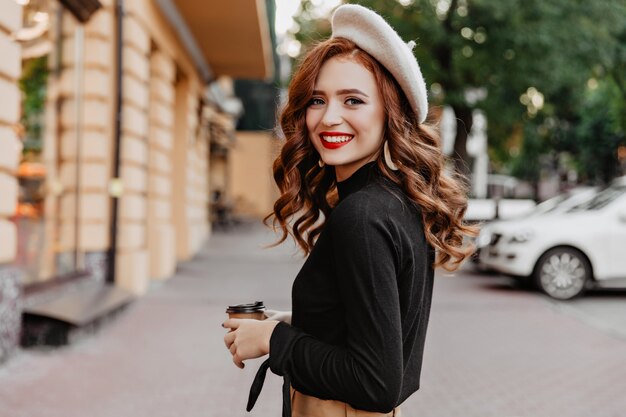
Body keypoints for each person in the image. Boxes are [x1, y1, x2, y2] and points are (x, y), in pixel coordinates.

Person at [223, 4, 477, 416]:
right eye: (317, 100)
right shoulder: (394, 200)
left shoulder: (362, 216)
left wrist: (274, 341)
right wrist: (291, 322)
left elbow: (376, 382)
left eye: (353, 100)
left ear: (389, 114)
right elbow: (372, 330)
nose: (329, 118)